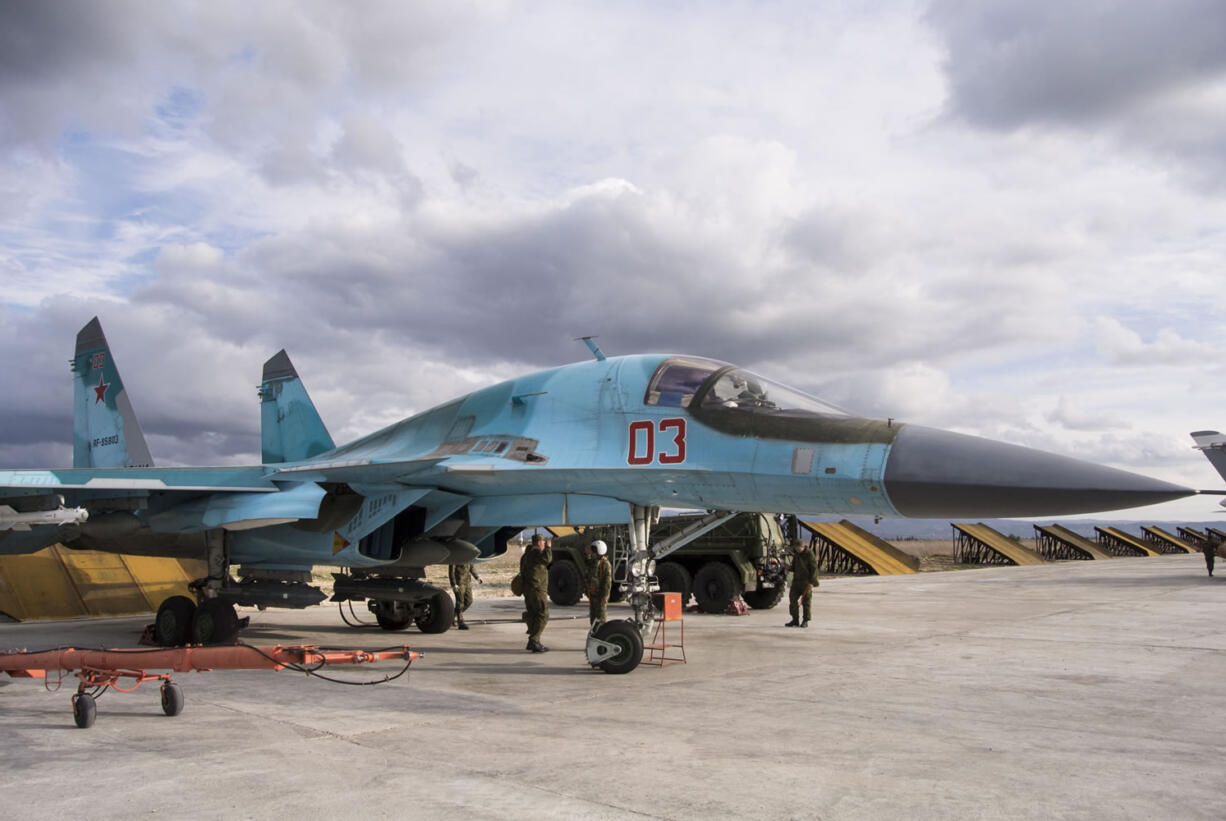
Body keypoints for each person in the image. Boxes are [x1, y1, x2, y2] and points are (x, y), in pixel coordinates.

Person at [521, 533, 552, 652]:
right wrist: (548, 548)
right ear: (539, 542)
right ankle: (534, 640)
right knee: (543, 614)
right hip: (537, 589)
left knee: (533, 614)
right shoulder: (536, 553)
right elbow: (547, 559)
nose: (544, 544)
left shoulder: (525, 555)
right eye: (543, 542)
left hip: (528, 589)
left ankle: (533, 641)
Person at [785, 538, 819, 628]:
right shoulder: (797, 555)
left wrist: (812, 582)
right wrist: (787, 567)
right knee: (792, 599)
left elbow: (814, 569)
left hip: (806, 582)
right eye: (796, 548)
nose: (797, 549)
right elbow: (793, 567)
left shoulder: (809, 554)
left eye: (798, 547)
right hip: (796, 581)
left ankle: (805, 620)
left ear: (803, 546)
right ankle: (795, 620)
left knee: (806, 602)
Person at [586, 539, 612, 627]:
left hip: (600, 596)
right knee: (593, 619)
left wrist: (605, 596)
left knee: (601, 618)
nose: (592, 553)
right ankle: (594, 634)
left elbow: (607, 582)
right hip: (592, 595)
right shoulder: (594, 562)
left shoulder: (605, 564)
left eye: (593, 551)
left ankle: (601, 635)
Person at [448, 563, 481, 629]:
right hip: (459, 583)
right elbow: (451, 571)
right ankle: (461, 622)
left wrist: (477, 577)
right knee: (460, 602)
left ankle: (452, 616)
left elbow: (472, 567)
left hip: (467, 582)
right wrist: (453, 584)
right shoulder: (456, 557)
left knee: (469, 601)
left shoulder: (468, 556)